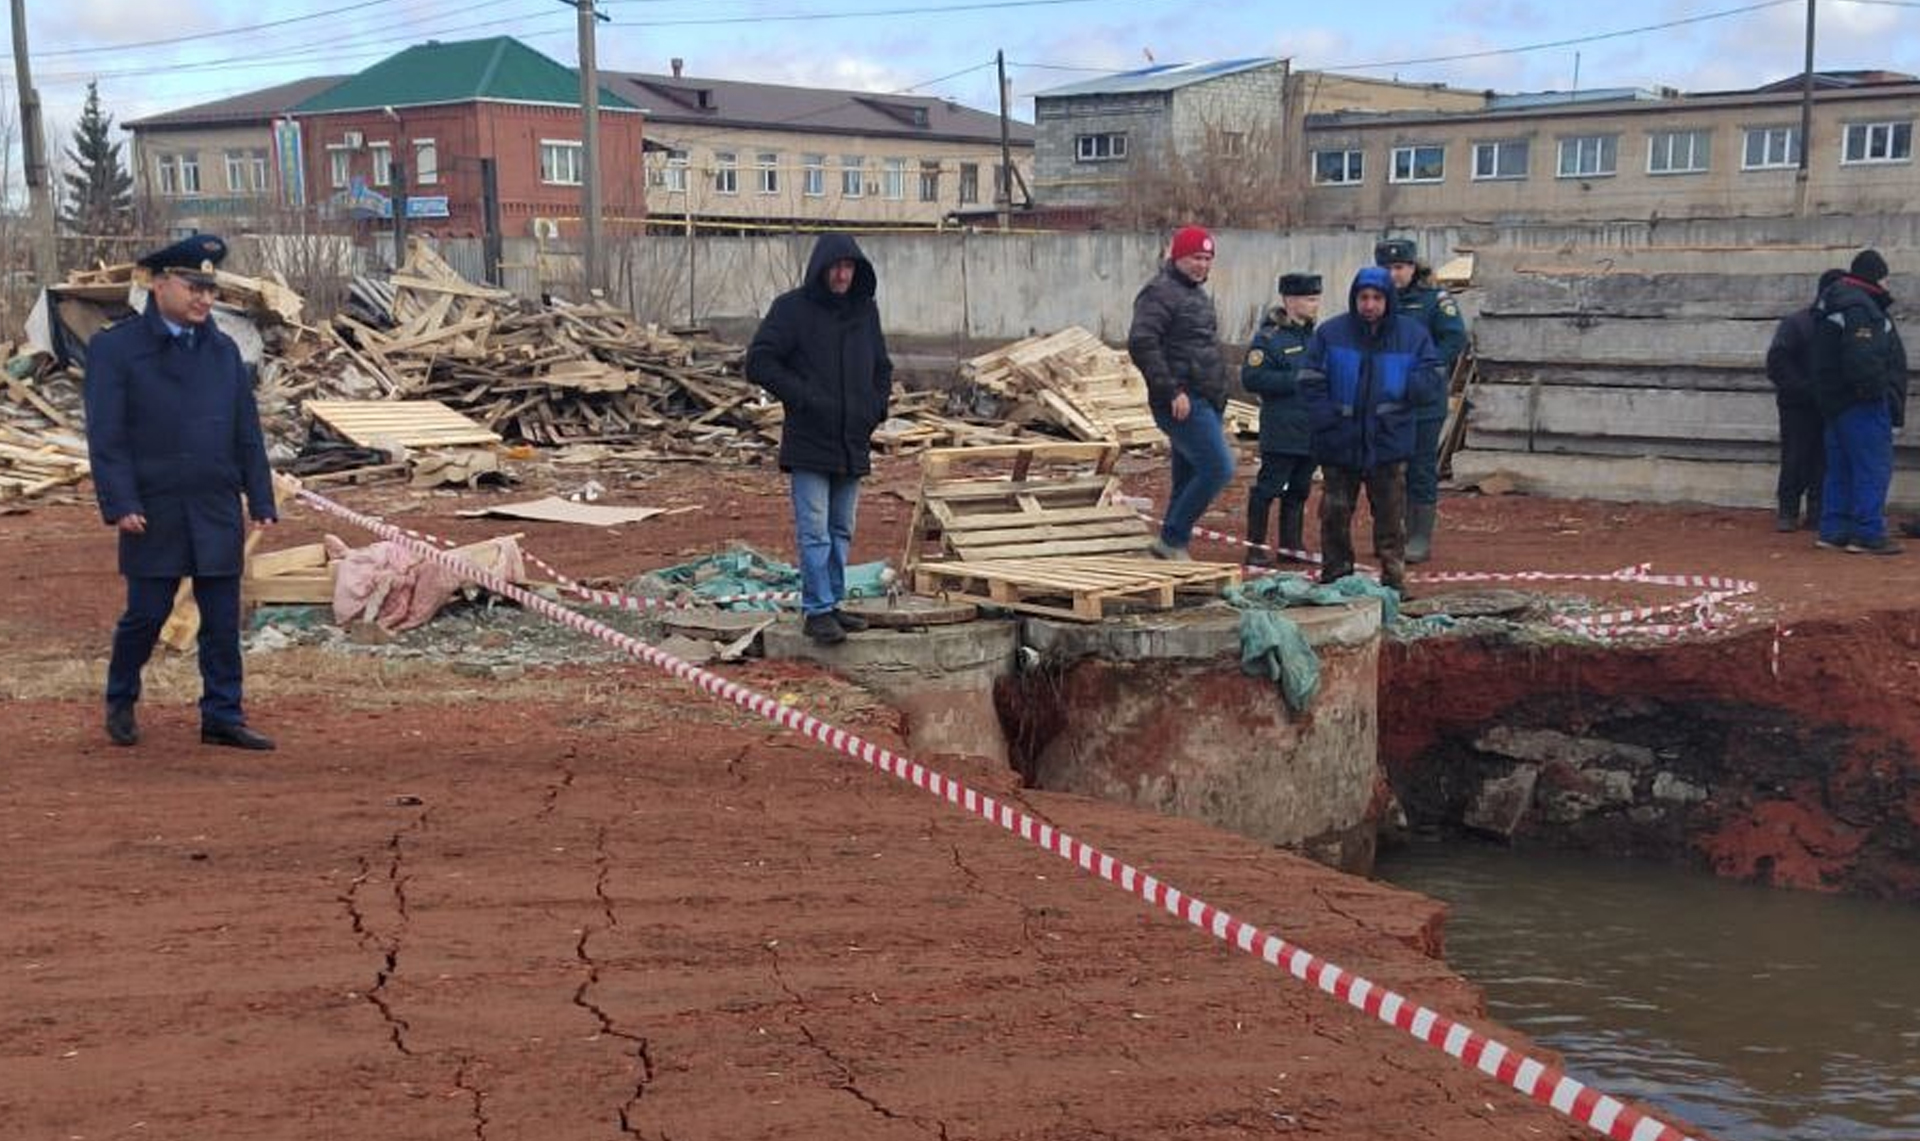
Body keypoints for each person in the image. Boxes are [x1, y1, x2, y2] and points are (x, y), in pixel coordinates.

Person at [84, 234, 279, 750]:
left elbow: (246, 432)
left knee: (220, 619)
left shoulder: (222, 351)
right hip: (153, 506)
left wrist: (260, 498)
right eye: (194, 287)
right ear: (160, 283)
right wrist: (120, 501)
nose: (204, 299)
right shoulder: (116, 349)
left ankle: (222, 714)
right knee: (147, 613)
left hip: (213, 503)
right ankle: (121, 697)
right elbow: (106, 435)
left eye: (210, 290)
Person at [746, 233, 894, 644]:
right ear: (822, 268)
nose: (843, 274)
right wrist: (804, 398)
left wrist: (875, 407)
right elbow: (759, 361)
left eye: (849, 266)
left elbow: (882, 366)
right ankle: (816, 611)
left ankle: (832, 602)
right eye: (836, 266)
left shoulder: (865, 312)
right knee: (815, 530)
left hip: (852, 438)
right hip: (810, 439)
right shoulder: (792, 310)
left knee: (842, 527)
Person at [1299, 265, 1442, 596]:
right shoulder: (1330, 334)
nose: (1369, 304)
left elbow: (1433, 376)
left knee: (1391, 519)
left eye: (1377, 297)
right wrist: (1327, 420)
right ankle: (1335, 577)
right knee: (1335, 514)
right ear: (1354, 299)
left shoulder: (1412, 335)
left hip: (1388, 441)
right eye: (1363, 297)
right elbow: (1309, 380)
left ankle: (1394, 581)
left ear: (1388, 300)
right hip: (1340, 442)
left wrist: (1407, 388)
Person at [1129, 224, 1234, 560]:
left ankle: (1169, 549)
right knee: (1219, 467)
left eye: (1207, 258)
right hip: (1181, 401)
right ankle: (1172, 539)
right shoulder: (1159, 293)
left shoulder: (1196, 295)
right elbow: (1142, 343)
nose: (1201, 265)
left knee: (1187, 475)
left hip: (1206, 398)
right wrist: (1172, 390)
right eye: (1194, 258)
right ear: (1177, 257)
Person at [1375, 237, 1467, 564]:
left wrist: (1428, 366)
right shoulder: (1373, 300)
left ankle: (1418, 537)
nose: (1393, 274)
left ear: (1413, 268)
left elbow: (1455, 336)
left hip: (1423, 400)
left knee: (1420, 467)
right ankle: (1390, 531)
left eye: (1399, 267)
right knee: (1385, 467)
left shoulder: (1433, 301)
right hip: (1385, 399)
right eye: (1386, 268)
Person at [1811, 249, 1908, 555]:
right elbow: (1863, 359)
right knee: (1871, 467)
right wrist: (1876, 392)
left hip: (1834, 401)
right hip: (1861, 403)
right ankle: (1867, 532)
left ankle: (1834, 529)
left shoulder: (1834, 303)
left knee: (1840, 468)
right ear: (1877, 277)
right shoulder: (1861, 308)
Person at [1239, 272, 1321, 566]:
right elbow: (1252, 378)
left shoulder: (1314, 336)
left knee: (1299, 489)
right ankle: (1255, 547)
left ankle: (1291, 546)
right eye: (1309, 299)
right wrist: (1297, 379)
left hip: (1310, 429)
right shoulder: (1269, 339)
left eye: (1316, 298)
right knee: (1269, 488)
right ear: (1290, 300)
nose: (1315, 305)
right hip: (1282, 428)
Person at [1764, 268, 1844, 531]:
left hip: (1824, 403)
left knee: (1824, 460)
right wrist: (1803, 388)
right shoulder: (1797, 323)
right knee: (1796, 458)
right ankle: (1788, 510)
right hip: (1797, 404)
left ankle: (1816, 512)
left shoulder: (1837, 324)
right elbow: (1777, 362)